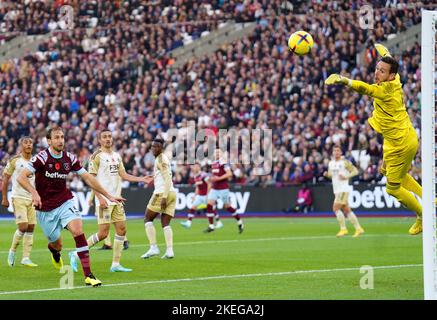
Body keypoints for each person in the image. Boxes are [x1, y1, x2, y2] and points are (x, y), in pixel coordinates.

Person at [325, 43, 423, 235]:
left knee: (392, 189)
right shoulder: (396, 79)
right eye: (377, 69)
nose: (377, 73)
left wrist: (344, 80)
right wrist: (385, 52)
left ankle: (423, 214)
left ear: (391, 76)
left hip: (400, 143)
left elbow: (365, 89)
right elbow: (390, 63)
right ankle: (428, 197)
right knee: (388, 172)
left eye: (382, 71)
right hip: (402, 137)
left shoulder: (385, 89)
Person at [17, 127, 125, 287]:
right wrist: (34, 193)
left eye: (62, 137)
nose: (61, 140)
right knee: (57, 244)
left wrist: (109, 196)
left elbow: (88, 177)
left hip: (64, 202)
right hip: (45, 208)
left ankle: (88, 275)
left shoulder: (69, 158)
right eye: (57, 137)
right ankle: (54, 252)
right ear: (49, 141)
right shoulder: (41, 158)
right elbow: (21, 177)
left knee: (78, 230)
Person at [71, 128, 148, 272]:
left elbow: (124, 175)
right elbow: (91, 179)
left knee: (122, 229)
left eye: (110, 136)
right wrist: (99, 198)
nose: (108, 139)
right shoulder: (96, 157)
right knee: (103, 234)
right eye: (105, 137)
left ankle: (115, 264)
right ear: (100, 140)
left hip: (117, 199)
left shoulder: (117, 156)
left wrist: (141, 179)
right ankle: (76, 253)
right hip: (104, 200)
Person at [2, 137, 38, 267]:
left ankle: (26, 258)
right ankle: (12, 251)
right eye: (26, 143)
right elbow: (5, 178)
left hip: (32, 198)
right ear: (20, 145)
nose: (29, 145)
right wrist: (4, 197)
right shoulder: (15, 160)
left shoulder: (36, 160)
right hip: (18, 197)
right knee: (23, 226)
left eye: (30, 143)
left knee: (31, 226)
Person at [140, 138, 176, 259]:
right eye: (153, 146)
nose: (154, 149)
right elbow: (166, 176)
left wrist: (164, 197)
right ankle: (170, 250)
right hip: (172, 192)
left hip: (162, 193)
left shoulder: (160, 159)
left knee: (147, 218)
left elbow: (167, 178)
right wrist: (154, 177)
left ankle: (154, 247)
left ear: (161, 148)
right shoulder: (162, 159)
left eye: (157, 147)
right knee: (165, 223)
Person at [324, 145, 364, 237]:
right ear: (333, 153)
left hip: (343, 189)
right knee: (347, 210)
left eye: (338, 151)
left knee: (336, 208)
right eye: (334, 151)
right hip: (337, 190)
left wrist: (346, 176)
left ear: (341, 153)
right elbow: (331, 175)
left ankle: (343, 229)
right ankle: (358, 228)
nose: (336, 152)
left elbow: (355, 171)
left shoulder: (345, 162)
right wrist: (327, 174)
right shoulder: (331, 163)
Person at [205, 149, 243, 234]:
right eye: (215, 152)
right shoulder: (213, 163)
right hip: (215, 188)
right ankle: (211, 226)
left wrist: (218, 178)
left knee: (227, 207)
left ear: (222, 154)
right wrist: (211, 180)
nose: (217, 154)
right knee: (209, 205)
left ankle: (239, 221)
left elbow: (229, 174)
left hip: (223, 188)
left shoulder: (223, 163)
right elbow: (214, 176)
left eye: (219, 152)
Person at [180, 163, 212, 229]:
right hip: (200, 196)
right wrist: (195, 196)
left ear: (199, 167)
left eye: (196, 166)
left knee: (211, 210)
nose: (195, 168)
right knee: (193, 208)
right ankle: (188, 223)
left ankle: (214, 223)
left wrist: (207, 194)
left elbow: (209, 184)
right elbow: (198, 187)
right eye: (194, 166)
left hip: (206, 195)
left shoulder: (203, 175)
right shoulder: (195, 176)